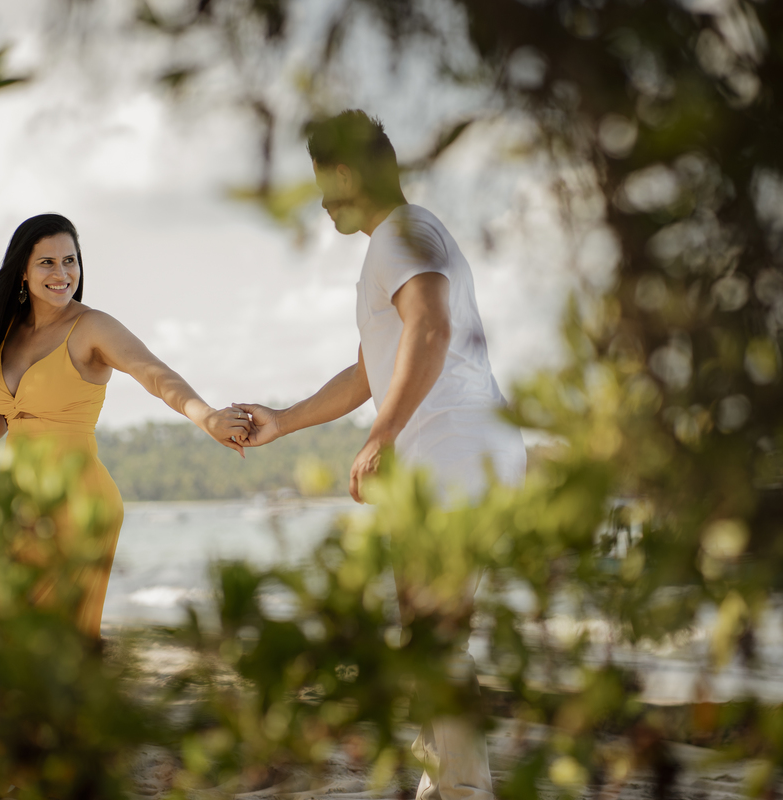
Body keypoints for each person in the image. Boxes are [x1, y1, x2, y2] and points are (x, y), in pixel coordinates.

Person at [235, 110, 525, 800]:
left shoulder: (403, 232)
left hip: (456, 448)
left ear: (343, 174)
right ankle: (448, 785)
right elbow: (370, 367)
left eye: (320, 183)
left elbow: (431, 324)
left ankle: (456, 789)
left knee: (432, 633)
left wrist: (381, 434)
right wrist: (283, 421)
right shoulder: (400, 239)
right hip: (462, 450)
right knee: (430, 634)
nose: (320, 202)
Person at [0, 213, 251, 799]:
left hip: (77, 507)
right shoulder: (8, 334)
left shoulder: (91, 327)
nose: (62, 273)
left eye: (70, 260)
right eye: (48, 261)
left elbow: (154, 373)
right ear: (22, 271)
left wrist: (206, 416)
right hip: (19, 510)